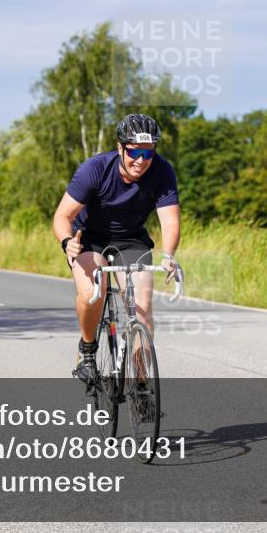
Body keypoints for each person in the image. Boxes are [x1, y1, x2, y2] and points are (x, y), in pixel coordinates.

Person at [51, 114, 180, 385]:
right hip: (89, 238)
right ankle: (87, 351)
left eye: (148, 153)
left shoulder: (162, 171)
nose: (141, 160)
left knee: (142, 309)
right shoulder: (94, 169)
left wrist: (168, 255)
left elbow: (170, 220)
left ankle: (142, 384)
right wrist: (67, 242)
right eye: (134, 152)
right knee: (91, 295)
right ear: (120, 147)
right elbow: (62, 216)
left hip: (132, 240)